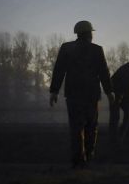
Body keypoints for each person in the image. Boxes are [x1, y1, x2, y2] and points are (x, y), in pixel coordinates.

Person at [49, 20, 114, 168]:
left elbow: (59, 70)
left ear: (77, 33)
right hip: (91, 95)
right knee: (91, 126)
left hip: (73, 95)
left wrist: (54, 91)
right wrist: (109, 92)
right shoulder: (97, 50)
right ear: (89, 34)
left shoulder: (66, 48)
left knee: (76, 128)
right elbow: (104, 72)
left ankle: (78, 160)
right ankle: (89, 156)